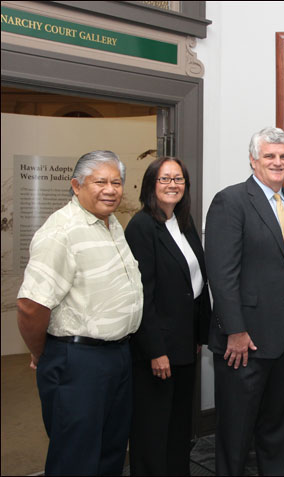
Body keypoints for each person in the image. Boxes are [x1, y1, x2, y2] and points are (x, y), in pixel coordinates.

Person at [16, 150, 143, 475]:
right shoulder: (61, 232)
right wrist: (41, 351)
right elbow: (31, 305)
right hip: (77, 362)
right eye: (100, 181)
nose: (111, 189)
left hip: (116, 356)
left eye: (116, 182)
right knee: (76, 459)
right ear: (76, 185)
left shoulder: (111, 224)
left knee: (110, 452)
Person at [205, 127, 284, 475]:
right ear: (254, 160)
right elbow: (221, 276)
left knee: (279, 430)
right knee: (235, 434)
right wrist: (234, 331)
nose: (278, 162)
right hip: (245, 343)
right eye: (269, 156)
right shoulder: (231, 201)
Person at [124, 157, 211, 475]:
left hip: (185, 344)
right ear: (151, 185)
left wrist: (198, 336)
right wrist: (156, 350)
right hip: (156, 350)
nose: (173, 184)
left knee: (178, 427)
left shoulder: (184, 222)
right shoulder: (141, 226)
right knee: (152, 429)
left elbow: (196, 285)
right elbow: (141, 295)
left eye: (179, 179)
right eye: (165, 179)